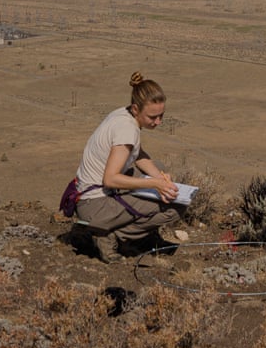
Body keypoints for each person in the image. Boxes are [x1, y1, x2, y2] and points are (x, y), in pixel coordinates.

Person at [72, 71, 184, 262]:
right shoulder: (127, 130)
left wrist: (160, 178)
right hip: (94, 205)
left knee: (157, 167)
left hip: (88, 196)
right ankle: (111, 236)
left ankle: (116, 230)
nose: (159, 122)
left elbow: (136, 154)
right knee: (176, 206)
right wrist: (155, 185)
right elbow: (110, 179)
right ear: (135, 109)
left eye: (161, 115)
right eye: (152, 117)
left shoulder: (122, 114)